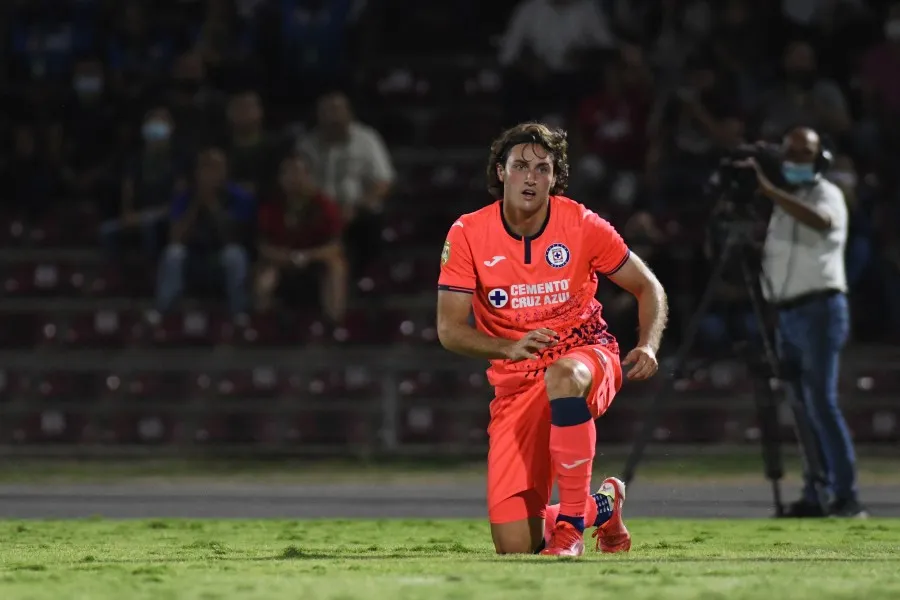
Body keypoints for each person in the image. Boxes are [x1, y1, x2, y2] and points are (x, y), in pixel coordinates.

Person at [436, 123, 668, 556]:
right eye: (520, 165)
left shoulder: (581, 224)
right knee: (513, 545)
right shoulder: (467, 233)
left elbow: (648, 286)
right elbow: (449, 330)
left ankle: (571, 532)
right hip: (516, 381)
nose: (530, 176)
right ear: (501, 172)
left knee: (564, 374)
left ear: (554, 177)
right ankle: (604, 505)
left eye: (542, 168)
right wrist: (507, 347)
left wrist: (648, 344)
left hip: (586, 355)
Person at [739, 126, 866, 518]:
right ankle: (817, 492)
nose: (795, 163)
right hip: (788, 313)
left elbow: (822, 222)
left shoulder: (825, 193)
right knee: (799, 405)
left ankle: (846, 495)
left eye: (803, 155)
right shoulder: (784, 202)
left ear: (820, 158)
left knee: (821, 403)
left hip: (820, 310)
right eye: (789, 155)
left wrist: (770, 190)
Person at [255, 153, 348, 324]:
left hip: (315, 263)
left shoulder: (325, 205)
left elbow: (335, 246)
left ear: (309, 176)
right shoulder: (271, 206)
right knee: (265, 275)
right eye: (287, 173)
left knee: (336, 266)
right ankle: (263, 326)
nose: (293, 179)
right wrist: (287, 258)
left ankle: (334, 324)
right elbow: (264, 247)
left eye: (297, 173)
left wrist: (306, 256)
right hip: (282, 263)